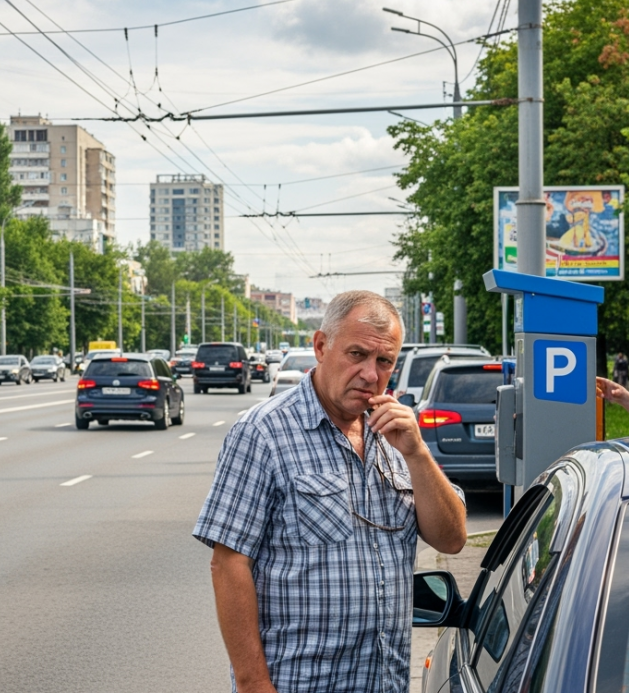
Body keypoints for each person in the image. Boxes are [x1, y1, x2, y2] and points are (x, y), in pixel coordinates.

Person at [193, 290, 468, 693]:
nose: (371, 375)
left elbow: (452, 538)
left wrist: (418, 454)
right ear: (321, 346)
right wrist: (254, 685)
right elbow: (229, 564)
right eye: (357, 354)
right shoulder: (263, 432)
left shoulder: (396, 436)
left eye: (384, 361)